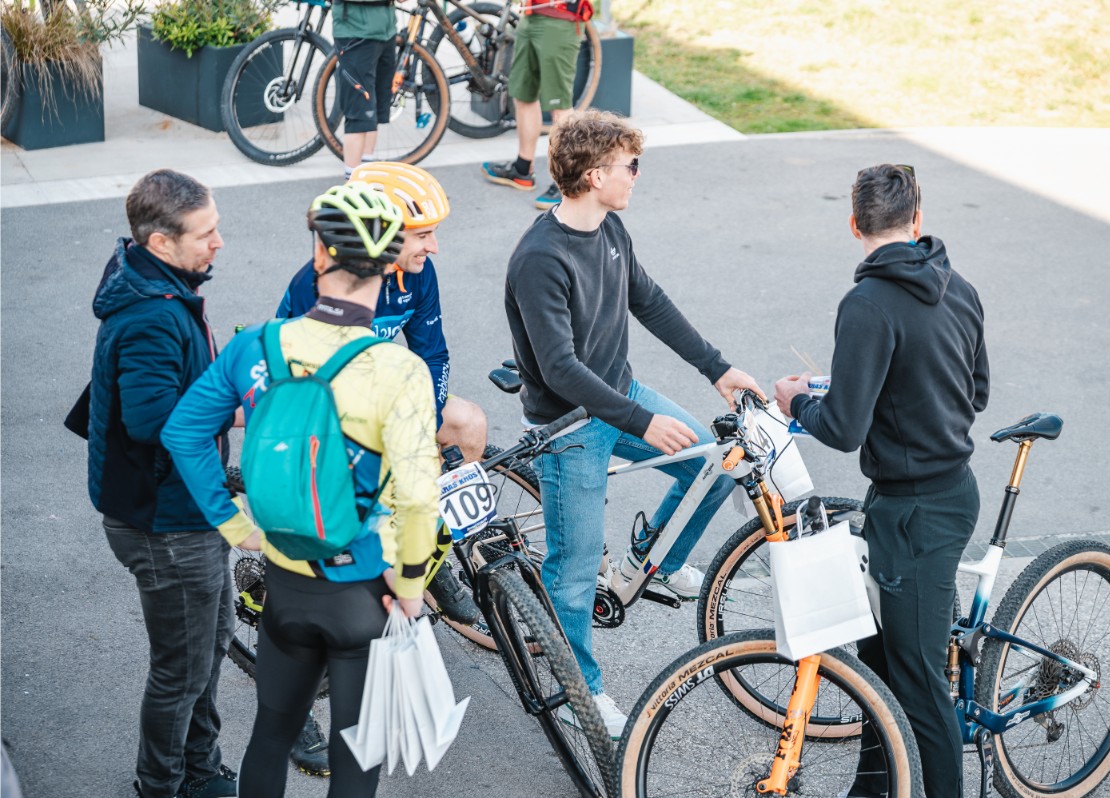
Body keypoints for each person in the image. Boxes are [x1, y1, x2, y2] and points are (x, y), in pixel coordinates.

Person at [161, 183, 441, 798]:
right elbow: (420, 497)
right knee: (355, 760)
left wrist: (234, 525)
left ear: (319, 256)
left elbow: (182, 431)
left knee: (270, 735)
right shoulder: (399, 370)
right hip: (364, 594)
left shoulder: (256, 345)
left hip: (284, 584)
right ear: (390, 265)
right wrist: (411, 588)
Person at [504, 109, 764, 737]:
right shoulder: (540, 258)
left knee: (712, 464)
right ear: (596, 175)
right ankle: (581, 693)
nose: (637, 176)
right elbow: (560, 369)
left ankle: (652, 562)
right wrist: (641, 421)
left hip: (619, 394)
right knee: (572, 570)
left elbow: (648, 300)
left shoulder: (611, 228)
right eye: (631, 166)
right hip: (569, 424)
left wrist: (716, 368)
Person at [773, 164, 989, 798]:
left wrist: (795, 402)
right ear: (917, 219)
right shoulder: (960, 287)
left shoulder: (865, 304)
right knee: (879, 664)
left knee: (917, 683)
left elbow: (842, 429)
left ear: (854, 224)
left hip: (915, 511)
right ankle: (873, 789)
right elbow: (975, 392)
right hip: (945, 491)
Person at [276, 161, 485, 773]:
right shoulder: (318, 280)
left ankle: (435, 555)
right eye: (425, 234)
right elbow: (298, 384)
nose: (435, 246)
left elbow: (434, 354)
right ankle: (295, 691)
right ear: (387, 234)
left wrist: (423, 420)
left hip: (386, 396)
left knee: (469, 424)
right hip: (324, 419)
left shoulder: (419, 273)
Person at [85, 169, 237, 798]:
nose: (218, 242)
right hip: (165, 524)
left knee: (214, 639)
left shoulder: (162, 286)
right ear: (160, 243)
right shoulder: (152, 314)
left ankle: (200, 766)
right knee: (182, 670)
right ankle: (162, 786)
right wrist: (237, 400)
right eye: (205, 233)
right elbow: (153, 421)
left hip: (189, 506)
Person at [480, 0, 587, 209]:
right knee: (523, 94)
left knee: (559, 105)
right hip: (530, 15)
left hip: (560, 18)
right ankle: (522, 170)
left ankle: (569, 182)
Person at [331, 0, 399, 177]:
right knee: (358, 114)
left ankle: (367, 176)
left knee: (372, 111)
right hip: (356, 33)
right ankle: (352, 184)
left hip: (385, 30)